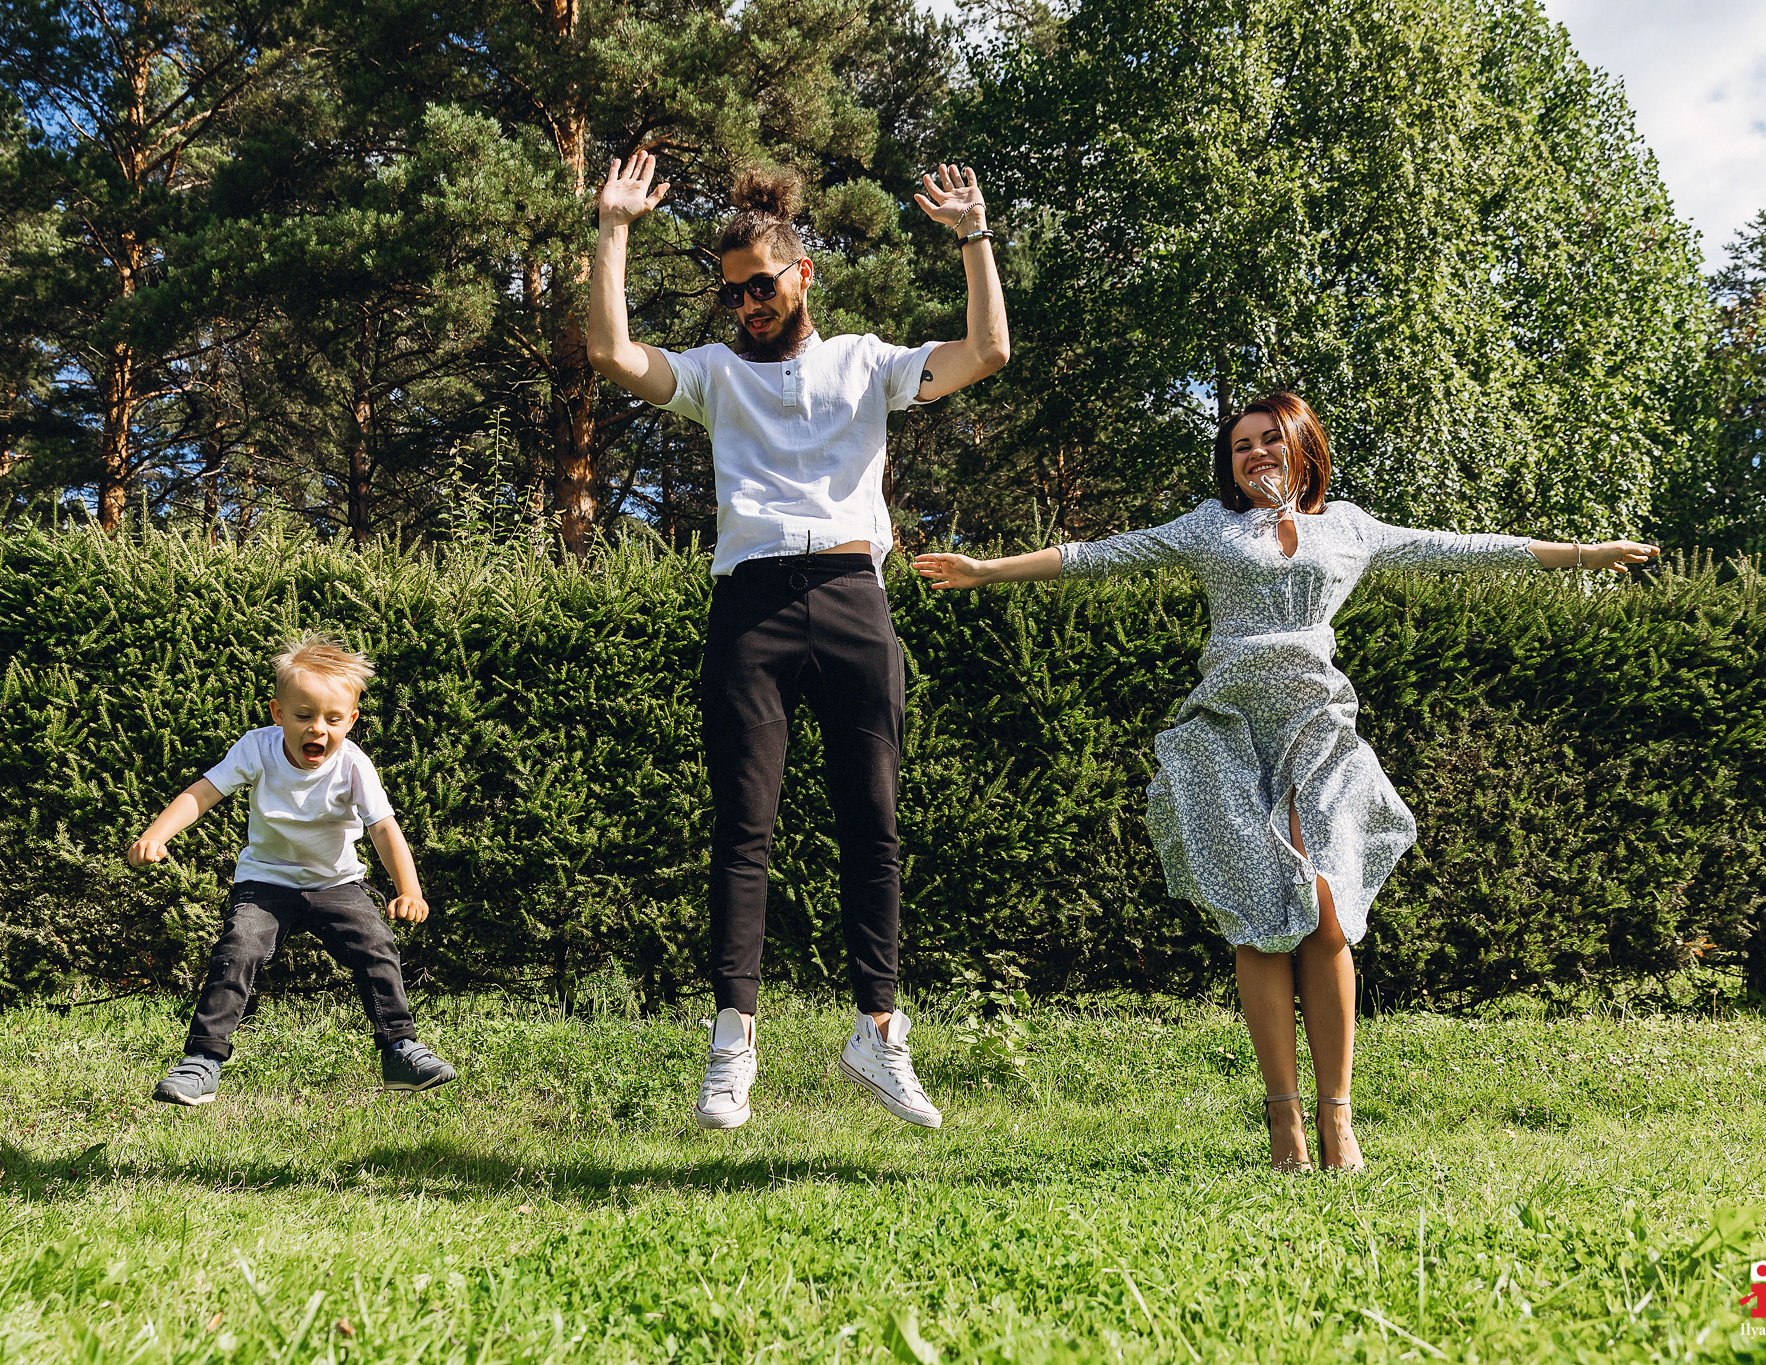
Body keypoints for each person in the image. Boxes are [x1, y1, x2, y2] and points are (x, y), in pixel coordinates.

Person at [913, 393, 1657, 1170]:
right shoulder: (1211, 524)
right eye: (1241, 446)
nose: (1256, 454)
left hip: (1318, 729)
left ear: (1304, 445)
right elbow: (1103, 553)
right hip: (1229, 731)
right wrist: (986, 570)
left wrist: (1582, 552)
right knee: (1259, 917)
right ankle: (1284, 1122)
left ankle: (1339, 1115)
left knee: (1327, 907)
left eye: (1271, 439)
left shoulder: (1352, 527)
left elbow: (1463, 547)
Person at [587, 152, 1010, 1130]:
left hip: (852, 593)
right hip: (751, 608)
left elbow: (986, 352)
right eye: (732, 295)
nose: (747, 307)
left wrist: (974, 237)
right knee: (744, 829)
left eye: (761, 287)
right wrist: (612, 232)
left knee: (872, 822)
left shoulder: (865, 362)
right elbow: (613, 354)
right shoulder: (714, 378)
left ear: (802, 275)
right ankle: (731, 1040)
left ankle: (877, 1034)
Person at [127, 633, 457, 1106]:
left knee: (376, 945)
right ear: (278, 713)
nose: (317, 729)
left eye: (333, 719)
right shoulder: (257, 749)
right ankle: (202, 1062)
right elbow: (203, 792)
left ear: (352, 720)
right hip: (265, 882)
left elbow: (384, 828)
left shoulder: (353, 765)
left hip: (336, 884)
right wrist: (156, 835)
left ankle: (400, 1050)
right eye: (303, 716)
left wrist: (410, 889)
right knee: (238, 948)